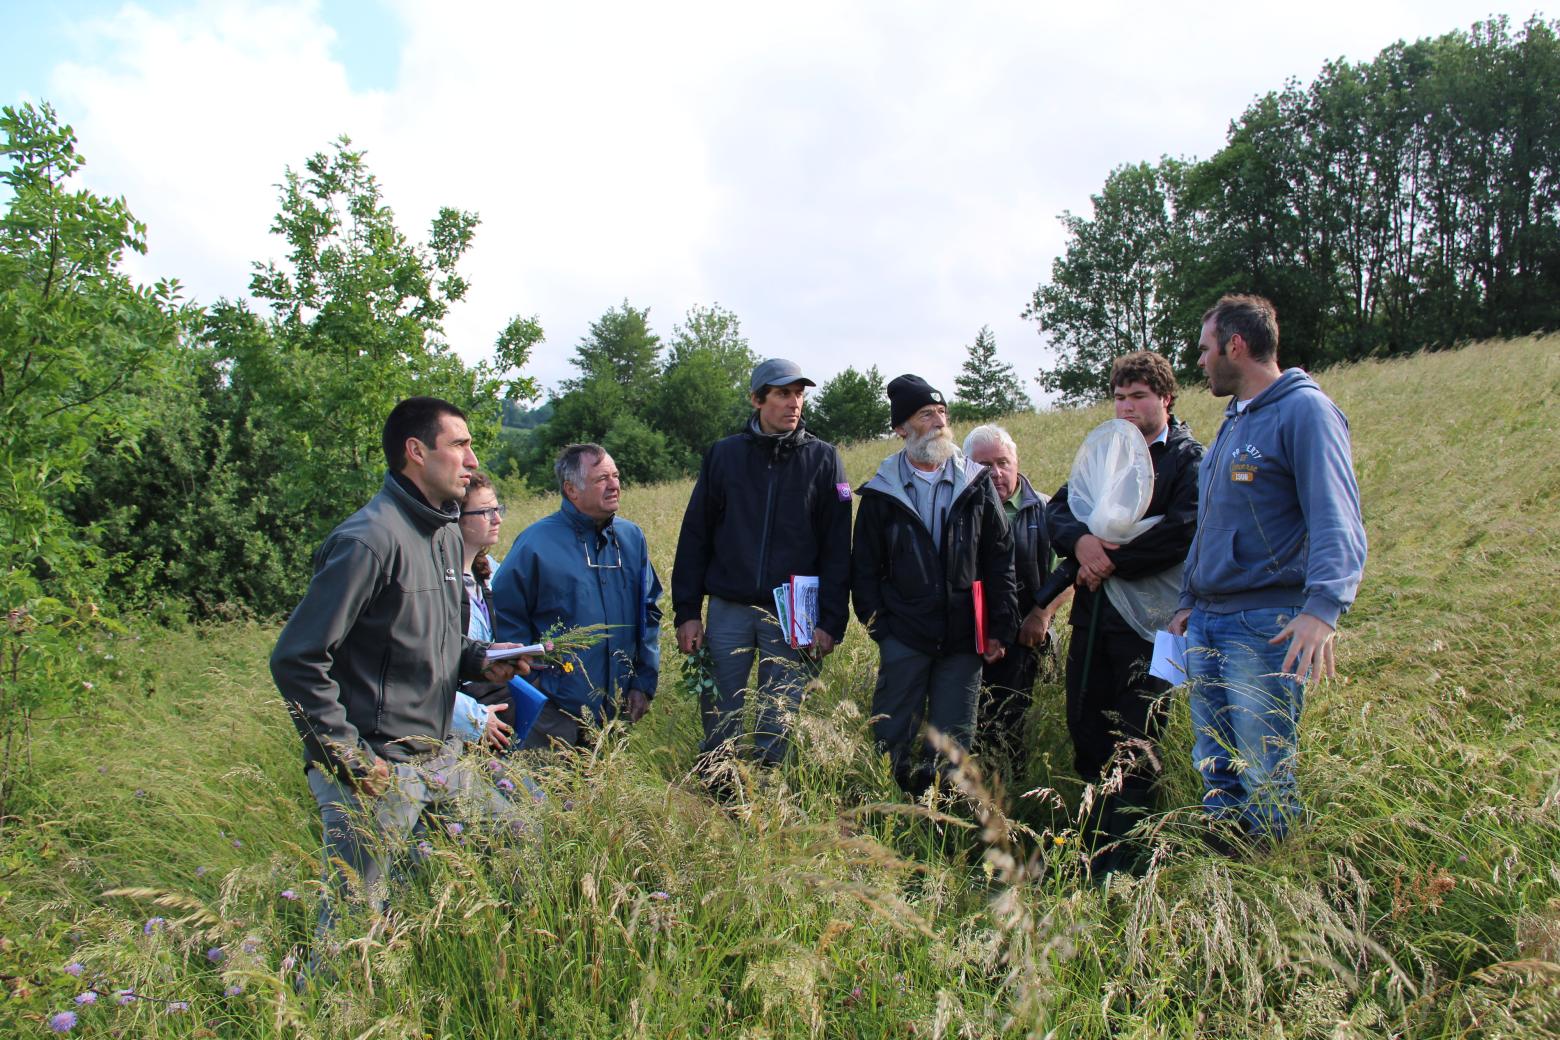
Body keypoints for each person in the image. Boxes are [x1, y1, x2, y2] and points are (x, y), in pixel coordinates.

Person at [270, 397, 534, 932]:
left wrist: (482, 660)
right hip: (379, 767)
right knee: (351, 924)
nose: (471, 458)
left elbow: (424, 640)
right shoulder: (369, 540)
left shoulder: (439, 535)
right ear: (416, 451)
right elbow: (297, 659)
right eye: (459, 444)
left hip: (438, 755)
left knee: (519, 841)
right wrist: (352, 760)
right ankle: (323, 1008)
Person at [1169, 294, 1367, 846]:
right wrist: (1187, 600)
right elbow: (1209, 522)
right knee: (1217, 769)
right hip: (1208, 621)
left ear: (1236, 345)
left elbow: (1336, 514)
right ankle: (1227, 883)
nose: (1201, 361)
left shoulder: (1306, 411)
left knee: (1264, 770)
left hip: (1263, 625)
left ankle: (1276, 883)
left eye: (1206, 349)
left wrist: (1322, 609)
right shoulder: (1234, 421)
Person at [1046, 351, 1203, 877]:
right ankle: (1090, 851)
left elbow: (1182, 528)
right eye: (1120, 397)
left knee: (1138, 740)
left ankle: (1129, 863)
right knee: (1086, 729)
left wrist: (1107, 560)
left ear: (1166, 399)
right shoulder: (1106, 451)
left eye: (1139, 396)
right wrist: (1083, 542)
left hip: (1156, 629)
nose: (1128, 407)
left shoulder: (1188, 458)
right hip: (1094, 622)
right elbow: (1059, 511)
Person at [672, 359, 852, 775]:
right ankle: (719, 788)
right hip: (729, 607)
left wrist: (831, 621)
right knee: (721, 712)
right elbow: (695, 534)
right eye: (783, 394)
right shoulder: (723, 456)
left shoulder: (824, 460)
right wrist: (686, 611)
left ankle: (770, 795)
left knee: (780, 713)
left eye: (799, 394)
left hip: (794, 609)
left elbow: (837, 548)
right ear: (757, 399)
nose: (794, 403)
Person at [852, 375, 1018, 795]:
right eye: (927, 415)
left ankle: (942, 823)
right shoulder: (880, 493)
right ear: (901, 429)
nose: (940, 422)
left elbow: (999, 558)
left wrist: (1000, 626)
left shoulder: (976, 483)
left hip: (963, 640)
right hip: (904, 636)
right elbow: (864, 570)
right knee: (892, 737)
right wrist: (882, 631)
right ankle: (890, 816)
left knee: (953, 744)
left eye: (943, 413)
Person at [490, 444, 662, 750]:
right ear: (571, 489)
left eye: (616, 475)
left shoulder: (631, 539)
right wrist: (536, 689)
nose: (614, 485)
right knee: (556, 796)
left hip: (619, 712)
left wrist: (643, 683)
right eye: (601, 479)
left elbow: (648, 612)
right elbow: (506, 618)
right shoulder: (535, 544)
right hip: (554, 716)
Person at [962, 424, 1070, 768]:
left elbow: (1070, 571)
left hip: (1023, 638)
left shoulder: (1047, 509)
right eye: (983, 465)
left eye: (1002, 462)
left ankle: (1008, 796)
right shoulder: (958, 511)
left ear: (1016, 461)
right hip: (966, 640)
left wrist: (1042, 614)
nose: (995, 473)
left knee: (1010, 726)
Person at [451, 472, 515, 751]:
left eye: (498, 509)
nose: (497, 519)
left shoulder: (491, 570)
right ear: (457, 518)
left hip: (494, 708)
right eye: (486, 512)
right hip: (455, 720)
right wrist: (470, 717)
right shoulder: (438, 580)